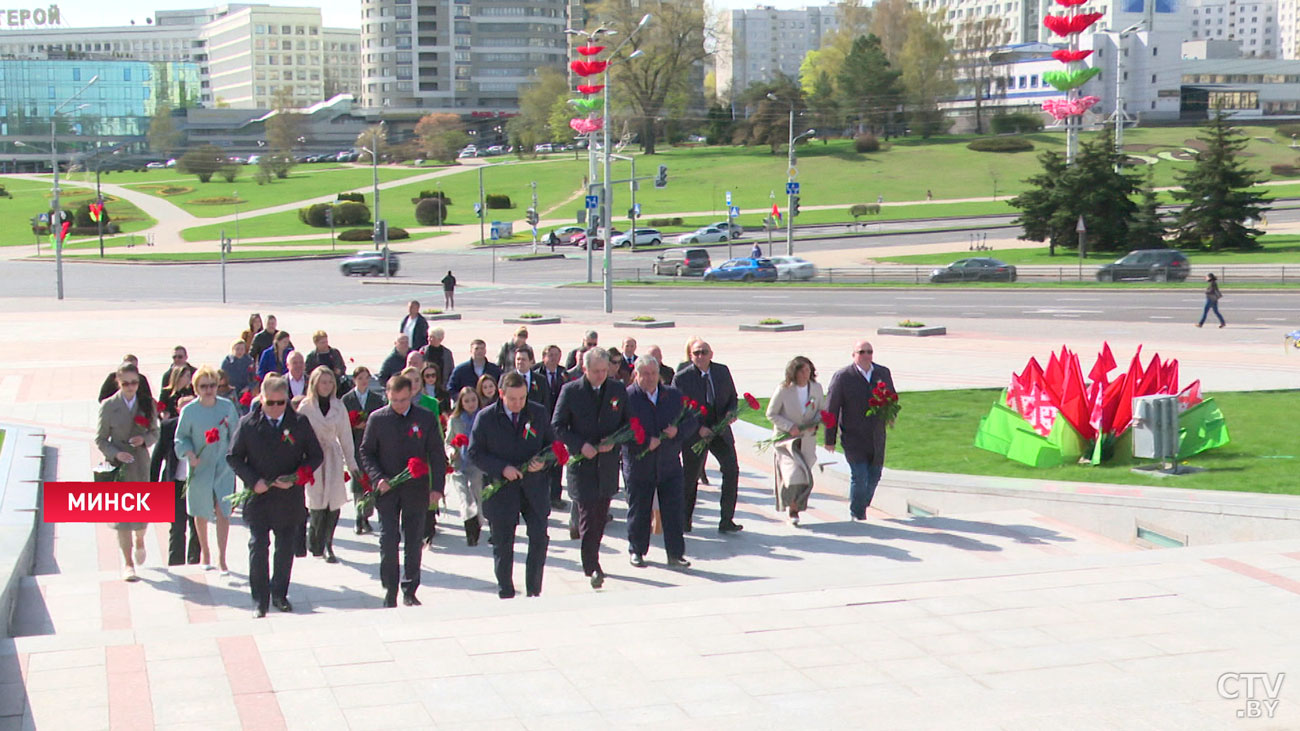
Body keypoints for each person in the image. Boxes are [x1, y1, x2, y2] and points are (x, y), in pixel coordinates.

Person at [227, 375, 324, 617]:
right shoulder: (249, 423)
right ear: (261, 399)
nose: (275, 408)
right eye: (269, 403)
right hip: (259, 496)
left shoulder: (299, 422)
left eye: (280, 403)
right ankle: (259, 599)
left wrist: (295, 477)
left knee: (284, 549)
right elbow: (234, 456)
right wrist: (253, 480)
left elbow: (315, 456)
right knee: (258, 546)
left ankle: (279, 593)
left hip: (288, 498)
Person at [360, 374, 446, 607]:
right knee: (388, 539)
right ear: (387, 395)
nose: (399, 405)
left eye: (404, 400)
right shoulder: (378, 419)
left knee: (413, 539)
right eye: (395, 400)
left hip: (416, 489)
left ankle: (410, 588)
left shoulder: (425, 418)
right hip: (387, 489)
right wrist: (378, 479)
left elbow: (437, 453)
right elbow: (366, 452)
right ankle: (390, 588)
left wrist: (437, 487)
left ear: (411, 396)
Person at [469, 371, 554, 599]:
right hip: (502, 489)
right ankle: (505, 590)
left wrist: (543, 462)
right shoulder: (486, 417)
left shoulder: (537, 413)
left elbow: (552, 446)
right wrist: (501, 468)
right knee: (503, 544)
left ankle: (533, 590)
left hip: (534, 488)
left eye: (522, 398)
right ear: (501, 394)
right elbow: (475, 453)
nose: (518, 404)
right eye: (512, 399)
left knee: (539, 538)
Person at [552, 348, 628, 589]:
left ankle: (592, 557)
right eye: (596, 371)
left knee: (600, 515)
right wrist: (580, 445)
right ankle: (592, 565)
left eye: (604, 371)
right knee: (587, 514)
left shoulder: (616, 389)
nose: (601, 375)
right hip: (582, 465)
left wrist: (614, 440)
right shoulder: (571, 391)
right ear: (585, 369)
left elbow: (628, 422)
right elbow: (557, 426)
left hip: (606, 465)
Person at [623, 355, 692, 569]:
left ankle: (675, 554)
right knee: (639, 510)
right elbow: (620, 431)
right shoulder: (628, 398)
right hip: (639, 465)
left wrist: (677, 431)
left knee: (673, 511)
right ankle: (637, 550)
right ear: (636, 375)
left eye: (654, 373)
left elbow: (691, 420)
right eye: (645, 374)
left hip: (669, 464)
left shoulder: (672, 395)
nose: (651, 378)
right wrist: (643, 443)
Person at [96, 362, 159, 582]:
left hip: (140, 462)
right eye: (126, 383)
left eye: (134, 382)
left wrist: (144, 440)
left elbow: (155, 432)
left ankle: (140, 539)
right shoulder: (108, 406)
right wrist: (115, 453)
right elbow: (101, 439)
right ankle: (128, 563)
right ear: (118, 382)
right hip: (119, 466)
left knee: (142, 514)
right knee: (122, 517)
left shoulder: (146, 403)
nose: (131, 387)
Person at [174, 365, 241, 572]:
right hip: (200, 466)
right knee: (200, 510)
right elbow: (181, 437)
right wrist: (189, 454)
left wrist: (235, 457)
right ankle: (205, 552)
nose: (209, 390)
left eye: (212, 385)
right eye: (204, 386)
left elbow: (237, 433)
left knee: (224, 510)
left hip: (223, 465)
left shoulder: (226, 406)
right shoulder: (189, 411)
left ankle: (222, 556)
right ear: (196, 389)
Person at [673, 339, 743, 534]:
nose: (700, 356)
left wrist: (731, 413)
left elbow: (732, 398)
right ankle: (684, 520)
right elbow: (678, 409)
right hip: (696, 434)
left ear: (711, 354)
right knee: (690, 477)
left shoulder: (722, 372)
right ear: (691, 356)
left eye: (704, 352)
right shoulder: (682, 378)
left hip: (720, 431)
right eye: (696, 353)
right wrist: (698, 428)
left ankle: (726, 520)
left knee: (731, 470)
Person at [824, 340, 896, 521]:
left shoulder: (882, 373)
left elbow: (892, 398)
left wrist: (890, 414)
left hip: (876, 435)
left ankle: (861, 505)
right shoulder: (843, 376)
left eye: (869, 352)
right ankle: (857, 514)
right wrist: (829, 438)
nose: (866, 356)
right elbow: (831, 408)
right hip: (853, 436)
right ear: (853, 355)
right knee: (859, 474)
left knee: (874, 475)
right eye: (861, 352)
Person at [296, 366, 358, 564]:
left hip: (332, 456)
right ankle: (315, 538)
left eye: (330, 382)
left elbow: (346, 437)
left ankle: (328, 544)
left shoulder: (338, 406)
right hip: (313, 458)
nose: (327, 385)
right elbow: (298, 438)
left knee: (334, 500)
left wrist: (352, 464)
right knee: (315, 501)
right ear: (315, 383)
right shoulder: (306, 407)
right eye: (323, 382)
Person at [766, 356, 826, 526]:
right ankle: (791, 507)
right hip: (787, 441)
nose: (806, 374)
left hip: (807, 440)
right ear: (795, 372)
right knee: (792, 475)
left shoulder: (816, 388)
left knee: (805, 477)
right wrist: (789, 426)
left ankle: (796, 507)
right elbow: (771, 413)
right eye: (802, 370)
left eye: (808, 370)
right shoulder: (784, 389)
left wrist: (815, 424)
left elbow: (822, 410)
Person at [151, 395, 200, 567]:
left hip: (197, 485)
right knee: (177, 528)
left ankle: (195, 563)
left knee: (197, 527)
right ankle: (177, 565)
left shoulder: (203, 427)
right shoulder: (168, 427)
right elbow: (156, 459)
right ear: (178, 410)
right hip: (175, 485)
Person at [342, 366, 385, 535]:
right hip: (354, 444)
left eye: (366, 378)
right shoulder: (347, 399)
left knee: (369, 482)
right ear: (354, 380)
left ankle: (366, 516)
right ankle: (358, 518)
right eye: (360, 378)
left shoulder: (376, 399)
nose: (364, 381)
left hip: (370, 445)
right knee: (358, 483)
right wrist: (355, 425)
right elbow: (343, 423)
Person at [446, 387, 486, 546]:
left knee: (477, 494)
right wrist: (450, 452)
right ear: (461, 403)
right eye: (466, 401)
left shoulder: (483, 418)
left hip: (477, 465)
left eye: (473, 400)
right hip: (459, 465)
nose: (470, 404)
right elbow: (448, 442)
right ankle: (470, 529)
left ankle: (479, 520)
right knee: (464, 498)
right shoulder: (455, 420)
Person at [534, 345, 571, 509]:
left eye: (557, 355)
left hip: (559, 423)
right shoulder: (536, 374)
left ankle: (555, 496)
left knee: (557, 459)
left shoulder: (564, 374)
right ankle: (542, 495)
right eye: (550, 355)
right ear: (544, 357)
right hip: (542, 422)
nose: (554, 358)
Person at [513, 346, 550, 412]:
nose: (520, 362)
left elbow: (546, 403)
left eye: (523, 359)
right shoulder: (506, 378)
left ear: (531, 361)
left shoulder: (540, 380)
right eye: (518, 359)